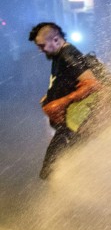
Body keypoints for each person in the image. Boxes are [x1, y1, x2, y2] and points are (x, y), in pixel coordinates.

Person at [29, 22, 102, 179]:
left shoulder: (67, 55)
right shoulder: (58, 56)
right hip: (68, 126)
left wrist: (61, 102)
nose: (40, 50)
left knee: (52, 170)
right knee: (56, 170)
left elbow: (92, 83)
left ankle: (75, 199)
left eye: (42, 45)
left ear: (55, 40)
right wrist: (50, 97)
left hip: (74, 126)